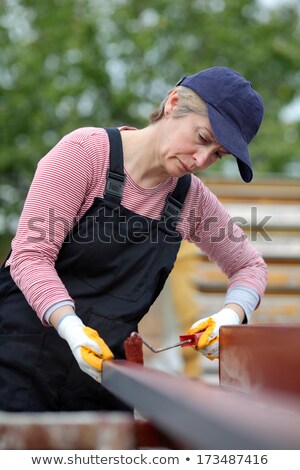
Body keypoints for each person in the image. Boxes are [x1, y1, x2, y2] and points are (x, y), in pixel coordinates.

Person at [0, 66, 268, 412]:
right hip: (18, 365)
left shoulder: (191, 200)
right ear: (173, 103)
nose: (202, 160)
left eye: (217, 155)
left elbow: (250, 266)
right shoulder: (85, 154)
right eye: (202, 138)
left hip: (102, 379)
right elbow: (30, 256)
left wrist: (230, 317)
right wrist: (70, 327)